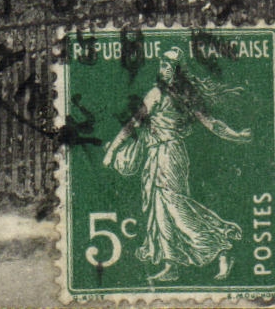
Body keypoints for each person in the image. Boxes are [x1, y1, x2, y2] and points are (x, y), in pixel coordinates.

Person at [102, 47, 252, 282]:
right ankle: (171, 265)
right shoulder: (165, 95)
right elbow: (135, 123)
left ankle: (222, 247)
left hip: (169, 155)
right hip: (157, 155)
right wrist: (112, 150)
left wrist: (236, 136)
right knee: (160, 210)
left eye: (167, 67)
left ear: (176, 72)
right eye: (161, 65)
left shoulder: (167, 96)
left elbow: (211, 123)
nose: (162, 70)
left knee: (174, 207)